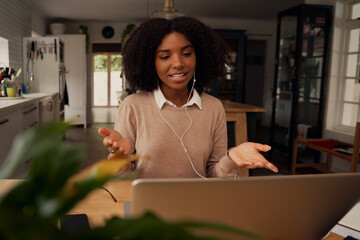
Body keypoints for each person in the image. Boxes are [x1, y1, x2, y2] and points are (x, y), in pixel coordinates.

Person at [98, 16, 278, 179]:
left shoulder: (213, 108)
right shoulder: (133, 106)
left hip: (198, 206)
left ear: (199, 56)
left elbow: (213, 174)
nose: (178, 63)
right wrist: (119, 157)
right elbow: (122, 179)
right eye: (165, 56)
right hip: (148, 209)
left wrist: (232, 159)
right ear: (150, 62)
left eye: (186, 54)